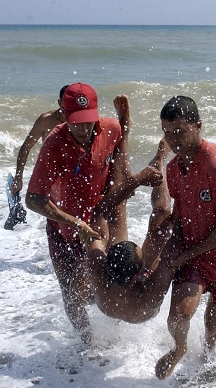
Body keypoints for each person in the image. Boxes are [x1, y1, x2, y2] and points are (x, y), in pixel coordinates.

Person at [155, 96, 216, 379]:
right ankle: (179, 349)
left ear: (197, 126)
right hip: (195, 255)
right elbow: (180, 209)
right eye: (167, 131)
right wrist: (163, 246)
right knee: (179, 315)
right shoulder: (173, 169)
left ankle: (210, 370)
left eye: (179, 131)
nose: (173, 139)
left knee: (212, 327)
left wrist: (186, 254)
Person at [25, 83, 131, 344]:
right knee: (71, 295)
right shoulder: (53, 145)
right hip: (61, 226)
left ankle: (118, 337)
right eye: (77, 123)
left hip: (96, 222)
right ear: (64, 113)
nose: (84, 129)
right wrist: (75, 223)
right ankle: (88, 346)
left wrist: (126, 122)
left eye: (89, 121)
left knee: (95, 286)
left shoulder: (110, 129)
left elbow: (119, 151)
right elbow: (33, 199)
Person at [76, 139, 177, 324]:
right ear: (141, 273)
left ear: (106, 259)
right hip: (142, 309)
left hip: (111, 303)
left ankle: (121, 138)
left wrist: (137, 180)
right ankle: (159, 162)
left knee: (115, 212)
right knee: (162, 216)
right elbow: (175, 245)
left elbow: (97, 213)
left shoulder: (97, 268)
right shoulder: (152, 290)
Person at [9, 85, 68, 198]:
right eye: (67, 105)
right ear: (60, 103)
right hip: (50, 171)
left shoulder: (80, 122)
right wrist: (18, 177)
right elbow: (26, 147)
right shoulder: (46, 120)